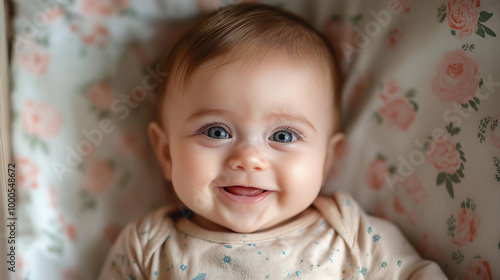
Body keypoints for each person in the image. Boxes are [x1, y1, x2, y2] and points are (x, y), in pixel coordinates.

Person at [98, 3, 447, 279]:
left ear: (327, 159)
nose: (249, 159)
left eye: (283, 136)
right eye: (216, 132)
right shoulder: (148, 246)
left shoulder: (351, 236)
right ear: (166, 153)